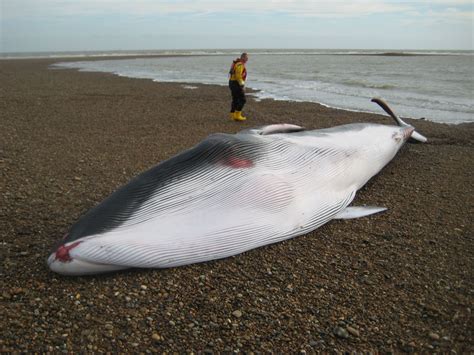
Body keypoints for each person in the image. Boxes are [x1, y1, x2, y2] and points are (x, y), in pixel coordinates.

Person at [228, 52, 248, 121]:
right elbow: (238, 76)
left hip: (231, 82)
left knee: (235, 99)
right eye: (246, 58)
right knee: (243, 100)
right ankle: (237, 115)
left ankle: (232, 114)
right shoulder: (240, 65)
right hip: (235, 83)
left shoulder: (236, 63)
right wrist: (242, 85)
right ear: (242, 58)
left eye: (247, 58)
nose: (247, 60)